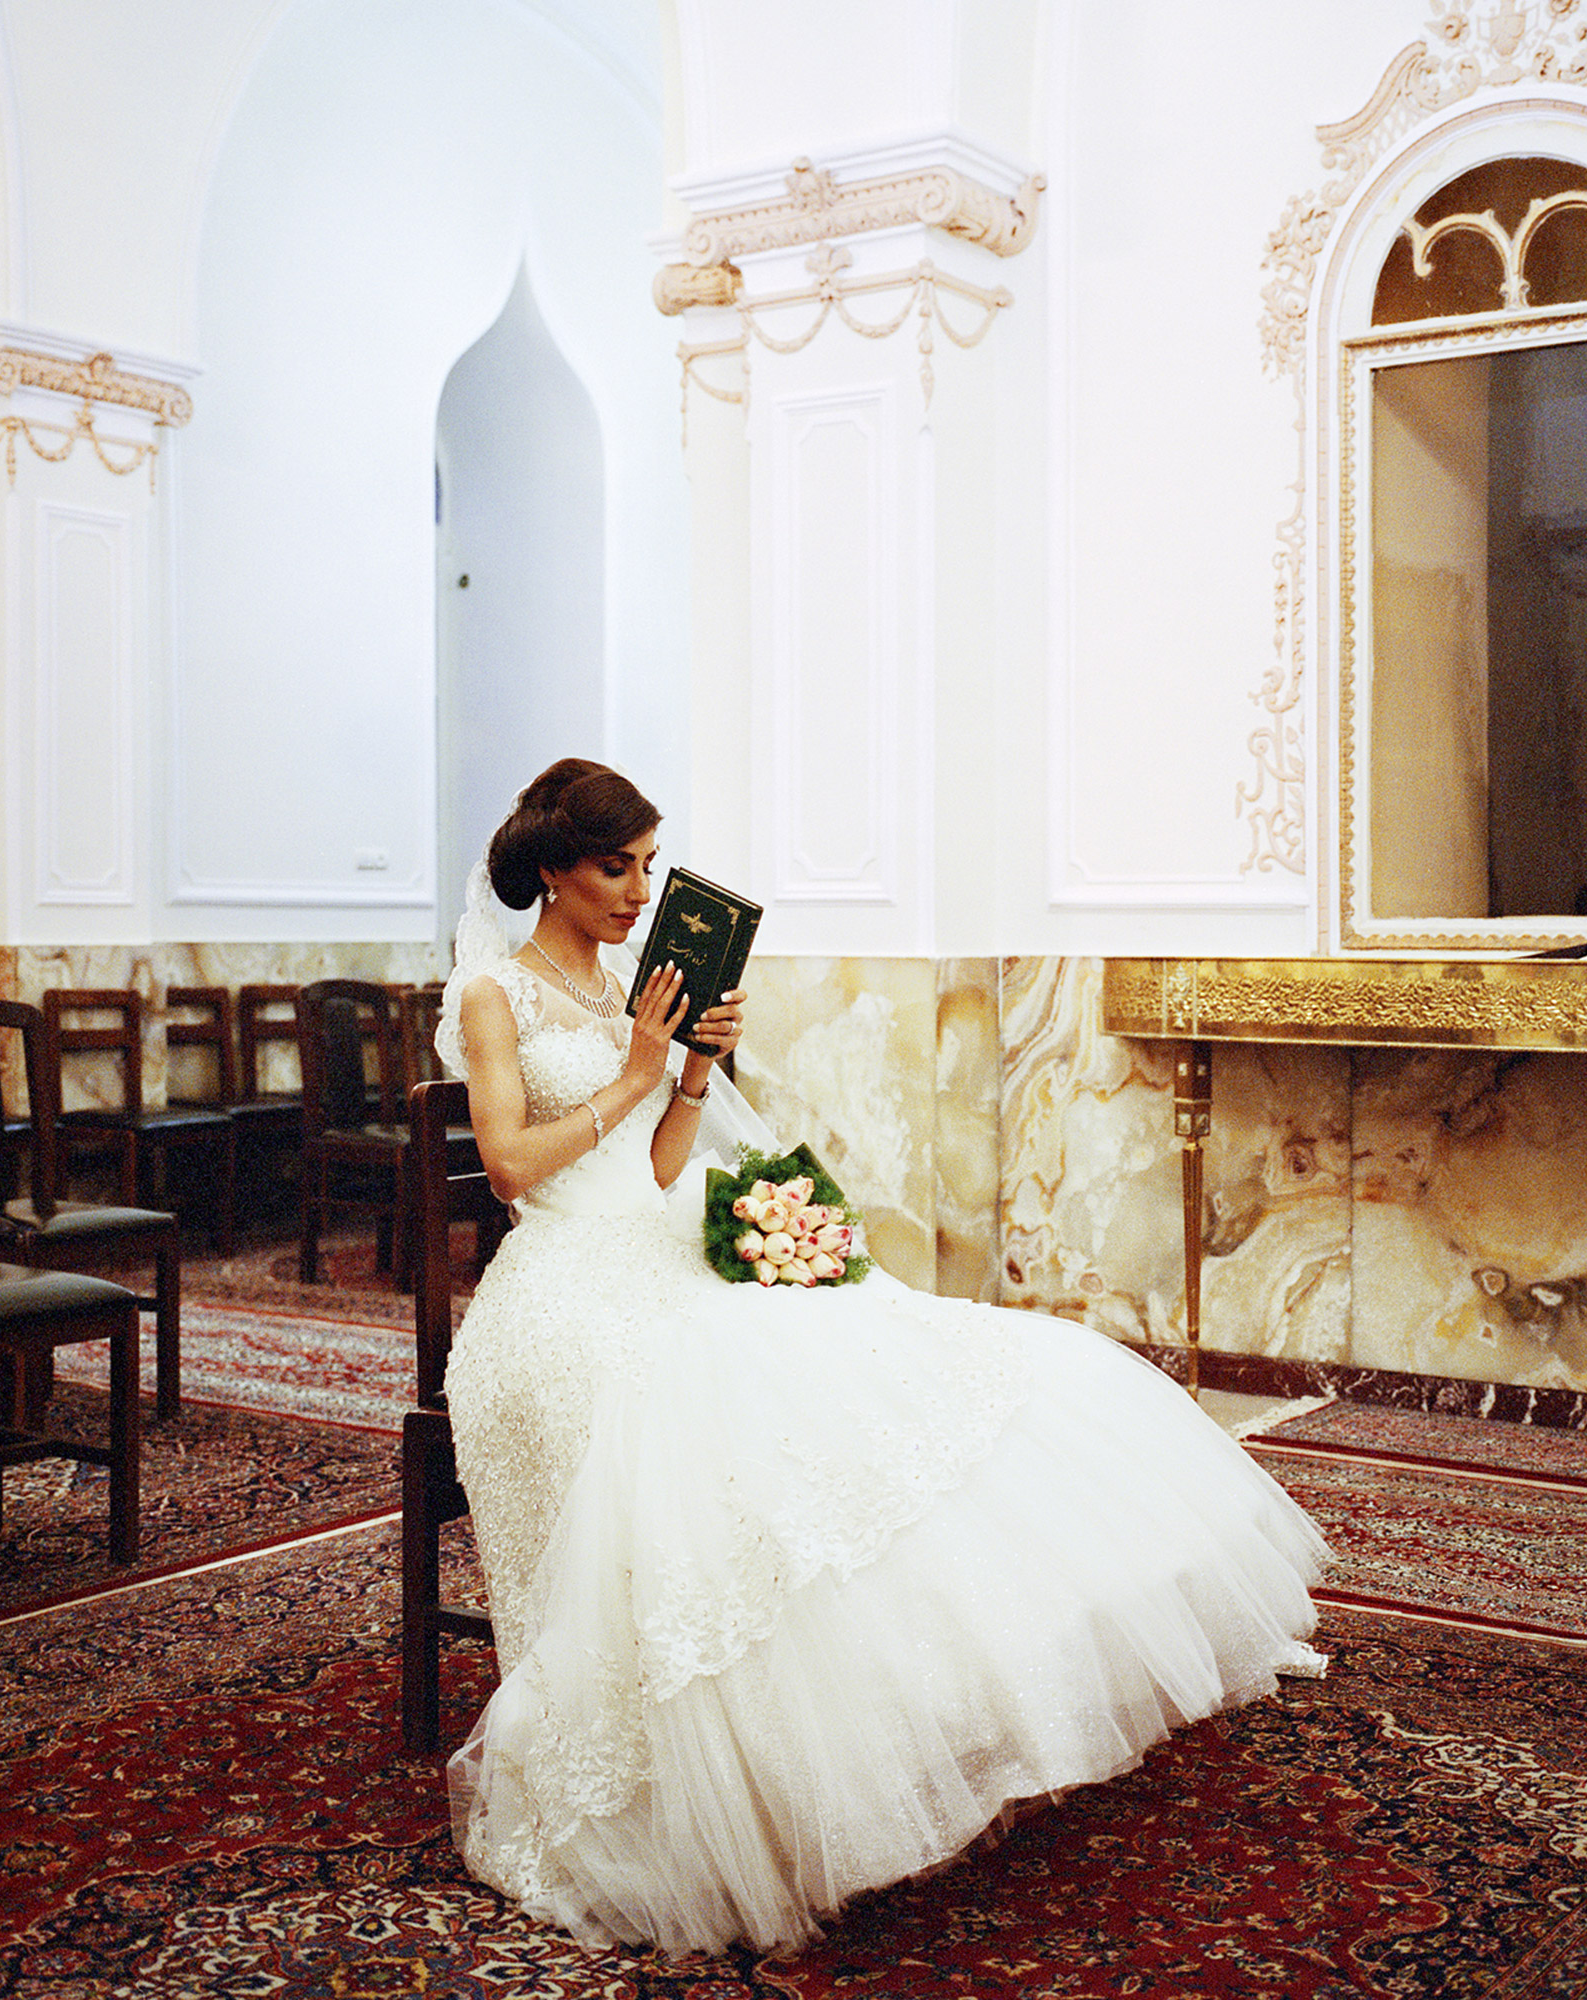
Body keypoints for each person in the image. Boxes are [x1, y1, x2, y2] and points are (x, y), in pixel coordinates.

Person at [435, 758, 1330, 1957]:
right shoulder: (497, 992)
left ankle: (884, 1720)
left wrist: (692, 1071)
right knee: (715, 1402)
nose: (640, 889)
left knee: (881, 1364)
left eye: (651, 864)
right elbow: (506, 1165)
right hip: (554, 1291)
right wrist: (643, 1072)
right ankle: (710, 1763)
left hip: (652, 1244)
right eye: (617, 867)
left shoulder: (628, 985)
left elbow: (656, 1170)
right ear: (551, 867)